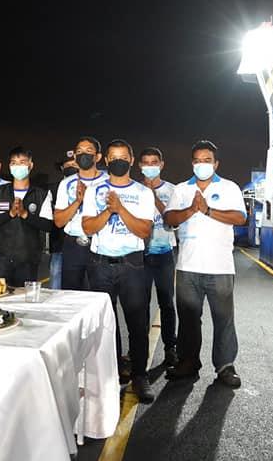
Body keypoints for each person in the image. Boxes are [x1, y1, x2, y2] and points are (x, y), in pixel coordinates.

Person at [163, 140, 246, 389]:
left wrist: (208, 210)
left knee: (223, 319)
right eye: (197, 161)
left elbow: (240, 217)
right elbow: (169, 218)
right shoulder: (181, 189)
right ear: (192, 163)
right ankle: (188, 362)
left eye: (207, 160)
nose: (202, 165)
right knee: (188, 319)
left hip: (220, 266)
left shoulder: (229, 187)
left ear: (216, 164)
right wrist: (191, 210)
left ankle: (225, 365)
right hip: (188, 266)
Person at [82, 139, 155, 403]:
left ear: (131, 160)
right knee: (106, 325)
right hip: (100, 264)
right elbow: (88, 227)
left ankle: (139, 376)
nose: (118, 162)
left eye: (123, 157)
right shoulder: (94, 190)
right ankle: (112, 375)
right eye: (113, 158)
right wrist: (108, 211)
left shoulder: (143, 192)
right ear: (106, 161)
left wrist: (121, 209)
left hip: (131, 264)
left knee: (137, 323)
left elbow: (144, 230)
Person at [0, 147, 54, 284]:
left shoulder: (41, 194)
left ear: (30, 165)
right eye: (14, 163)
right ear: (9, 166)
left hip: (28, 259)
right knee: (0, 294)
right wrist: (10, 214)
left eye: (22, 162)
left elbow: (48, 225)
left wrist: (25, 214)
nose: (17, 166)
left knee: (24, 296)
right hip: (2, 259)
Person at [138, 147, 179, 367]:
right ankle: (139, 349)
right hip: (140, 256)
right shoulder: (133, 189)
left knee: (167, 303)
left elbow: (173, 222)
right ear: (139, 166)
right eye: (146, 163)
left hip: (164, 254)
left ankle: (170, 348)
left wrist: (153, 197)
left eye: (154, 162)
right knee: (140, 304)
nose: (150, 166)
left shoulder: (172, 190)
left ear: (161, 165)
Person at [54, 136, 108, 290]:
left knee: (100, 294)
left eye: (88, 151)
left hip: (101, 244)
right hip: (73, 246)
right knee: (72, 294)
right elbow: (59, 221)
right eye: (79, 151)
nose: (83, 154)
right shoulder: (66, 183)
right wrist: (78, 201)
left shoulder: (109, 181)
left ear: (97, 156)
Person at [47, 152, 78, 289]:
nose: (71, 167)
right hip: (59, 244)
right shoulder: (52, 189)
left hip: (82, 246)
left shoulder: (89, 187)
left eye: (74, 164)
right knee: (56, 279)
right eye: (68, 165)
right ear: (62, 168)